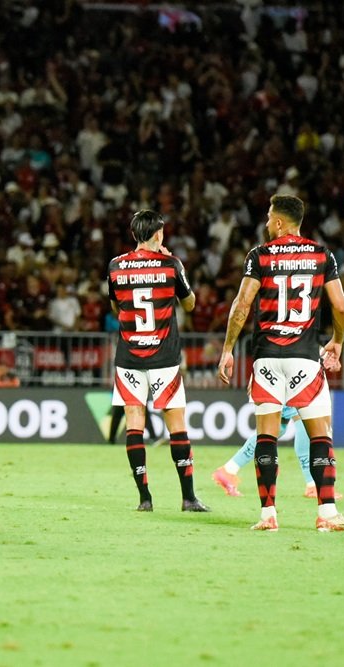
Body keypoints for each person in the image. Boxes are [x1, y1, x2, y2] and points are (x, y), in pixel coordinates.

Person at [217, 194, 344, 532]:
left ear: (280, 222)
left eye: (270, 217)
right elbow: (340, 307)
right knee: (319, 435)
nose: (267, 223)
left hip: (268, 358)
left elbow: (242, 305)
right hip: (304, 359)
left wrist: (227, 349)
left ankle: (268, 515)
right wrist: (337, 341)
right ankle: (327, 513)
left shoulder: (260, 256)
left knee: (266, 437)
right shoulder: (321, 255)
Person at [107, 209, 208, 513]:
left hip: (129, 357)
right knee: (176, 427)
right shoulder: (171, 265)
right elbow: (190, 305)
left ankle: (144, 498)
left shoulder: (115, 267)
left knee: (134, 426)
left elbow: (116, 308)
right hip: (164, 357)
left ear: (134, 234)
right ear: (158, 234)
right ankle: (188, 498)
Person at [214, 351, 344, 499]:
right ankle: (312, 485)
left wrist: (327, 354)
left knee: (276, 430)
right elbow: (291, 340)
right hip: (286, 377)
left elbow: (300, 338)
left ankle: (229, 470)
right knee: (301, 423)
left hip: (281, 375)